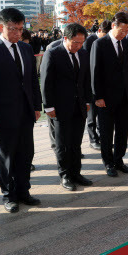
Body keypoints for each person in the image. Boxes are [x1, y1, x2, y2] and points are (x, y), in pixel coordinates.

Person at [0, 7, 42, 213]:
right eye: (13, 29)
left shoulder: (25, 49)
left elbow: (32, 80)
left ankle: (24, 191)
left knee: (26, 154)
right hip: (3, 115)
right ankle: (8, 195)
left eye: (21, 29)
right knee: (6, 155)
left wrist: (36, 106)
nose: (17, 33)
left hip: (25, 112)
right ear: (0, 27)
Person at [40, 23, 93, 191]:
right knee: (62, 144)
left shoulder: (83, 54)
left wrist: (87, 101)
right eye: (75, 42)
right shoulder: (53, 54)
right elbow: (46, 82)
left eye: (81, 42)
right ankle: (64, 175)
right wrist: (48, 106)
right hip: (60, 106)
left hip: (79, 106)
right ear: (65, 38)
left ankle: (76, 173)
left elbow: (86, 80)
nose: (78, 46)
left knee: (76, 143)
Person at [90, 12, 128, 177]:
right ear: (113, 26)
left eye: (127, 31)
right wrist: (98, 96)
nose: (124, 33)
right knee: (107, 132)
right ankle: (108, 162)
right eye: (122, 30)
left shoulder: (127, 44)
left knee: (122, 130)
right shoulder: (100, 44)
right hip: (106, 98)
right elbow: (95, 72)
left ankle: (119, 160)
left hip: (124, 96)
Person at [83, 20, 112, 150]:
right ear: (99, 31)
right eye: (105, 33)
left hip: (103, 82)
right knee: (91, 115)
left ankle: (102, 137)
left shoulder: (108, 41)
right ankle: (93, 139)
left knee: (102, 114)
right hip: (89, 82)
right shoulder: (89, 41)